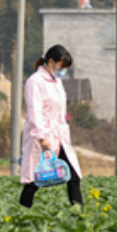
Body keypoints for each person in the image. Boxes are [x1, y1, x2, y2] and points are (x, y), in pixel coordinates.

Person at [19, 45, 83, 208]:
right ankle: (21, 213)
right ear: (51, 62)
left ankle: (81, 217)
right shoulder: (35, 82)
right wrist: (42, 137)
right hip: (42, 138)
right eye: (62, 67)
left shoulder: (57, 82)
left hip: (59, 137)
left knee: (74, 177)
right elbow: (35, 112)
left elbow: (59, 111)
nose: (63, 71)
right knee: (34, 180)